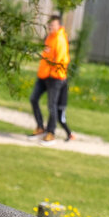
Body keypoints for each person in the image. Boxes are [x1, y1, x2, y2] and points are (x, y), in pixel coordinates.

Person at [29, 14, 72, 142]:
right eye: (49, 25)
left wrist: (51, 73)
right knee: (33, 98)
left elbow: (58, 61)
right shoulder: (49, 37)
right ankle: (40, 127)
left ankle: (51, 133)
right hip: (44, 75)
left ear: (58, 26)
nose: (50, 27)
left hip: (55, 77)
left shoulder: (60, 40)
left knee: (51, 105)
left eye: (53, 25)